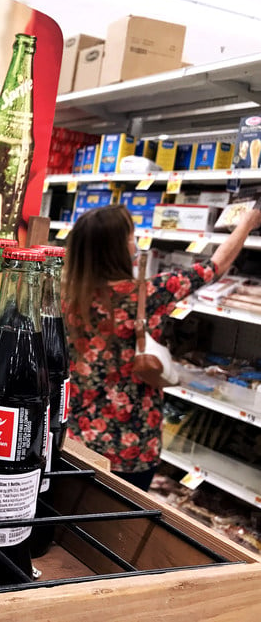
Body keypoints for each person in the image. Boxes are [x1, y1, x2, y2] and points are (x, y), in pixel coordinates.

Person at [62, 204, 261, 491]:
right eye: (130, 236)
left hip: (77, 437)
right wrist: (246, 224)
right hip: (133, 446)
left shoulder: (66, 296)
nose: (135, 242)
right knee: (122, 523)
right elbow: (214, 266)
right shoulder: (150, 293)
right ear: (117, 247)